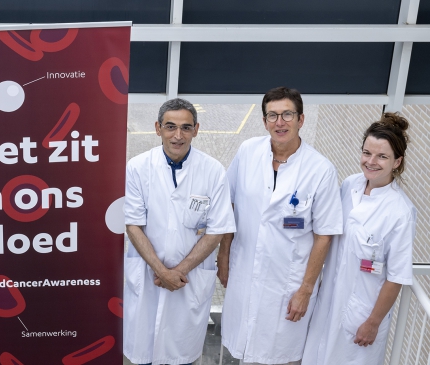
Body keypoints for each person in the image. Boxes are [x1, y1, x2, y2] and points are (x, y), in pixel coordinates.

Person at [218, 86, 343, 365]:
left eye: (287, 114)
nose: (280, 122)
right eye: (272, 116)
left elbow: (324, 236)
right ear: (264, 121)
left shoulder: (320, 170)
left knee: (281, 356)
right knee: (244, 350)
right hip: (245, 272)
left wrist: (305, 290)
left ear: (301, 119)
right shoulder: (248, 151)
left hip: (287, 284)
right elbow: (231, 204)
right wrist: (223, 255)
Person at [123, 98, 236, 365]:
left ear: (196, 129)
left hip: (189, 281)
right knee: (143, 354)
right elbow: (133, 225)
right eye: (170, 126)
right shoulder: (138, 167)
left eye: (186, 128)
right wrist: (163, 272)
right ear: (157, 128)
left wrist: (178, 272)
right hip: (150, 277)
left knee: (182, 356)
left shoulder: (213, 171)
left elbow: (217, 231)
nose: (178, 135)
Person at [302, 113, 415, 365]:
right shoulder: (349, 185)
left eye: (382, 156)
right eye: (367, 153)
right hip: (327, 303)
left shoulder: (400, 212)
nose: (371, 162)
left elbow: (396, 277)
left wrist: (373, 322)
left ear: (397, 162)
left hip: (361, 315)